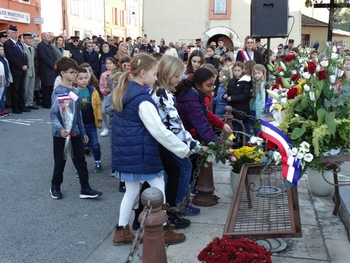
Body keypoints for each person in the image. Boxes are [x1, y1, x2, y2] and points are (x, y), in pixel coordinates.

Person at [111, 53, 190, 245]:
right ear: (143, 73)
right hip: (142, 154)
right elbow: (159, 131)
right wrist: (182, 149)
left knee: (131, 192)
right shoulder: (142, 100)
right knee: (158, 187)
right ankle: (161, 230)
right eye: (154, 74)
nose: (156, 77)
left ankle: (121, 231)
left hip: (127, 153)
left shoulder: (125, 91)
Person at [151, 56, 203, 216]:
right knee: (183, 168)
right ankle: (177, 205)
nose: (180, 79)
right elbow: (175, 125)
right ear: (166, 74)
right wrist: (194, 145)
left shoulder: (162, 92)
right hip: (168, 142)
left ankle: (170, 204)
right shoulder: (161, 94)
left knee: (172, 172)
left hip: (167, 140)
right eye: (176, 76)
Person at [50, 57, 103, 200]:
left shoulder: (75, 91)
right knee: (60, 161)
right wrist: (60, 129)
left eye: (75, 72)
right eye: (72, 72)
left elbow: (78, 114)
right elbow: (53, 114)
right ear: (63, 73)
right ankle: (55, 186)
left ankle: (85, 188)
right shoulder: (57, 91)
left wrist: (83, 131)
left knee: (80, 160)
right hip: (60, 134)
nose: (75, 74)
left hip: (76, 132)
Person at [75, 66, 103, 173]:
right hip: (78, 125)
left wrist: (99, 120)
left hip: (91, 123)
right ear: (75, 80)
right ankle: (80, 166)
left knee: (95, 144)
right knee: (79, 147)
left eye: (86, 78)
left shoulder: (93, 91)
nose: (84, 80)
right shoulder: (73, 92)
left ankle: (98, 161)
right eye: (81, 78)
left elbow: (98, 106)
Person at [3, 24, 28, 114]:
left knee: (22, 89)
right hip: (15, 70)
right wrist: (21, 66)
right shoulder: (7, 44)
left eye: (17, 32)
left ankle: (21, 105)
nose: (16, 34)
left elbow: (24, 56)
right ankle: (15, 107)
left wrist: (25, 65)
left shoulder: (19, 44)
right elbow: (11, 57)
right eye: (14, 33)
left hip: (22, 70)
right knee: (15, 90)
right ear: (9, 34)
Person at [223, 61, 252, 137]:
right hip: (232, 108)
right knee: (234, 125)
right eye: (235, 70)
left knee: (244, 125)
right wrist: (225, 95)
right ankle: (235, 141)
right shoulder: (232, 81)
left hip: (242, 108)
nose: (236, 72)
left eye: (238, 70)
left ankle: (247, 140)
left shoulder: (246, 81)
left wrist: (232, 98)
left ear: (242, 70)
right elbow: (229, 92)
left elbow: (245, 95)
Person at [37, 32, 57, 108]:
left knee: (51, 86)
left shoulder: (49, 45)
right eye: (48, 35)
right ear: (43, 37)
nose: (50, 36)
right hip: (46, 69)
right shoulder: (41, 45)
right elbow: (44, 58)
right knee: (46, 86)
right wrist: (53, 65)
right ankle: (45, 102)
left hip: (51, 69)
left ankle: (49, 101)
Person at [99, 57, 117, 137]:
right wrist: (104, 90)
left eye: (110, 63)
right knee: (103, 111)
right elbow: (101, 85)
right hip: (107, 96)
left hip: (115, 95)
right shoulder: (103, 74)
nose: (108, 65)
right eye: (107, 63)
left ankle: (112, 126)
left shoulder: (116, 74)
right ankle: (106, 127)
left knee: (113, 112)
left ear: (114, 64)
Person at [22, 32, 38, 110]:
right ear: (24, 39)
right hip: (26, 71)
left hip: (32, 70)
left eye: (31, 39)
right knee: (26, 88)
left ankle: (30, 102)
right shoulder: (22, 47)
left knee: (31, 88)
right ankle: (25, 103)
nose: (30, 40)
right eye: (28, 38)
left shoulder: (32, 48)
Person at [250, 64, 266, 135]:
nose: (257, 75)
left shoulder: (262, 84)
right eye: (255, 73)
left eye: (259, 73)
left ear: (263, 73)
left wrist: (263, 108)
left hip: (259, 108)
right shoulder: (255, 82)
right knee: (253, 125)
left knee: (257, 127)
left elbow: (263, 97)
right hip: (254, 107)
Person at [0, 43, 13, 117]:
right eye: (0, 50)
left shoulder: (4, 59)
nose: (2, 51)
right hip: (0, 80)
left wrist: (9, 80)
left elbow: (8, 70)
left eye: (2, 49)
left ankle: (3, 108)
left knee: (3, 95)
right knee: (0, 95)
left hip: (4, 80)